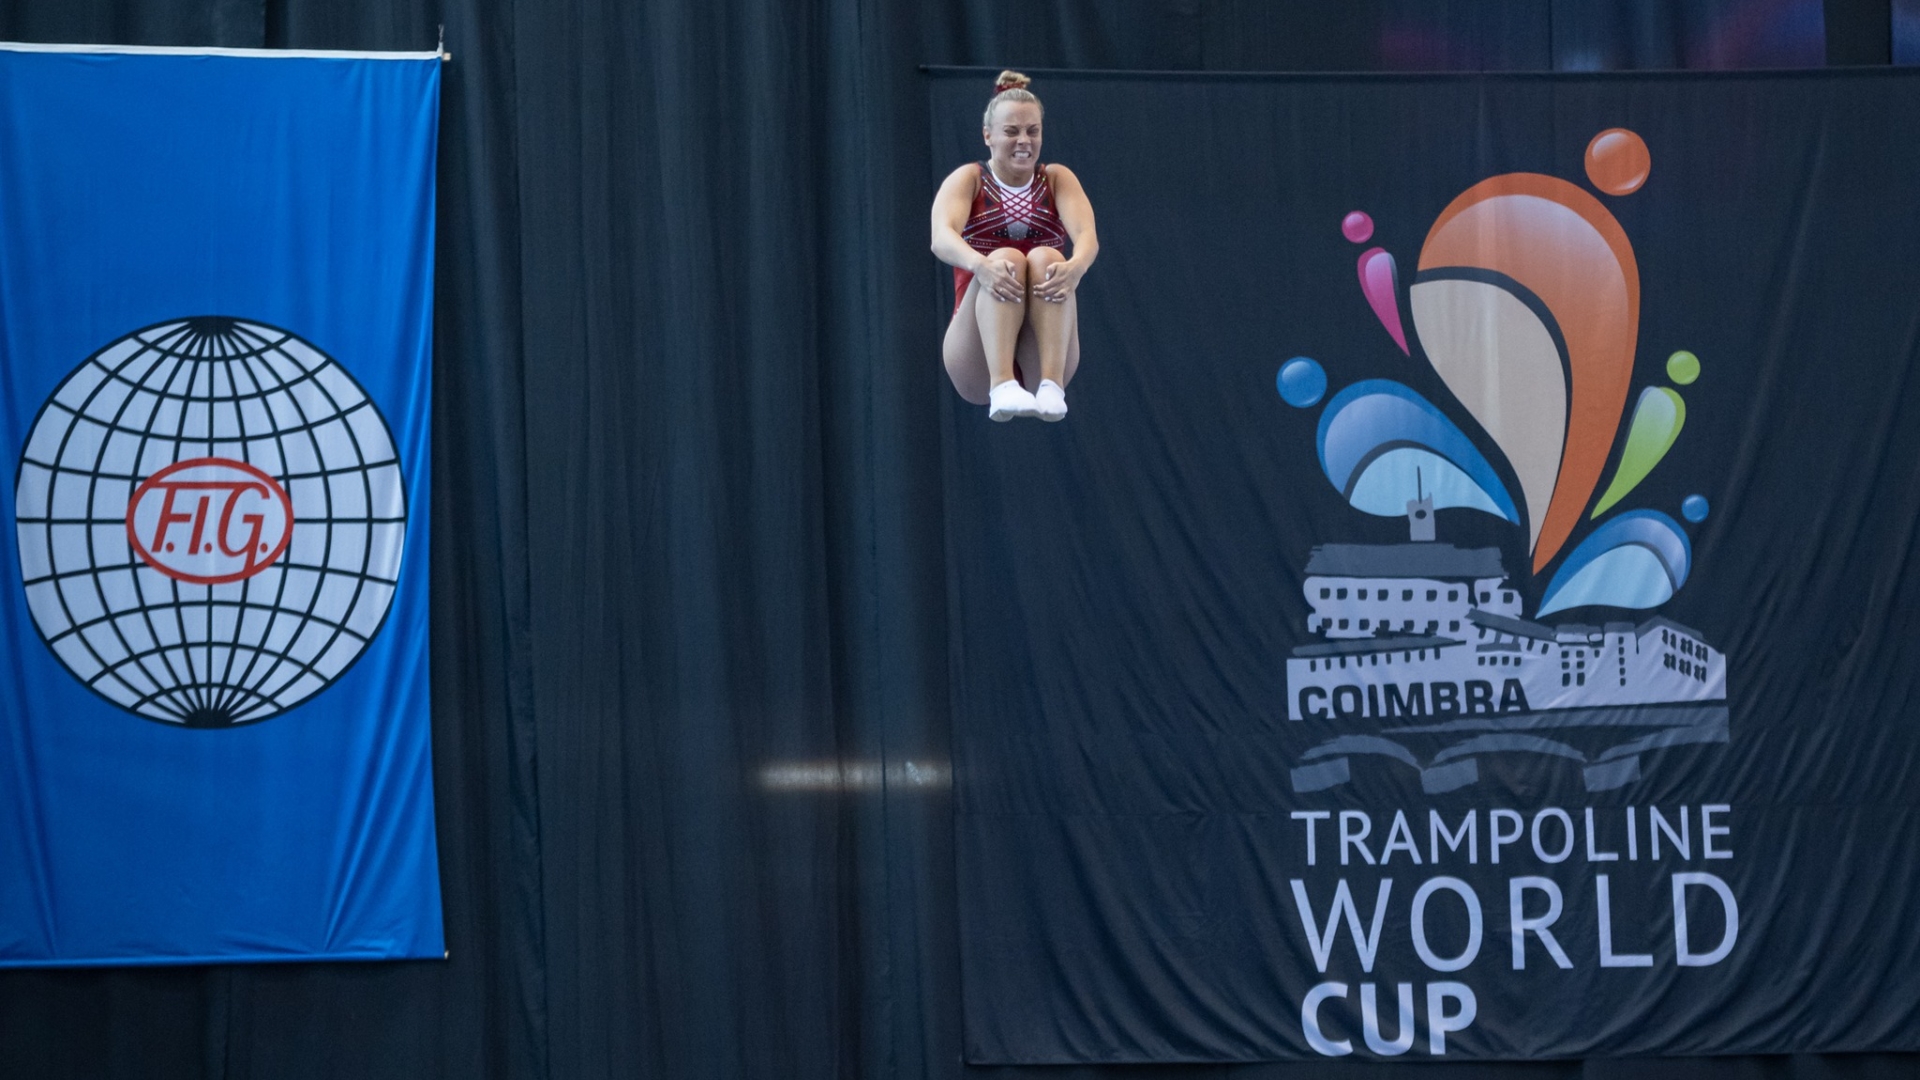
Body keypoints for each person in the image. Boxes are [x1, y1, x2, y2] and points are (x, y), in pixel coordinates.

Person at [930, 71, 1099, 421]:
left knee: (1048, 258)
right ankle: (1002, 383)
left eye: (1032, 131)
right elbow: (941, 238)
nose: (1024, 141)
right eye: (1011, 131)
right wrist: (980, 265)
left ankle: (1052, 385)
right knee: (1005, 259)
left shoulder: (1056, 179)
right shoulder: (971, 179)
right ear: (988, 135)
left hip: (1042, 353)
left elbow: (1087, 238)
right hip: (976, 355)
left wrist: (1076, 268)